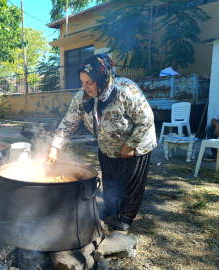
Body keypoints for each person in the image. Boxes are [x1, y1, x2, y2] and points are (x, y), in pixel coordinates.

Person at [47, 54, 157, 233]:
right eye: (82, 82)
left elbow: (146, 120)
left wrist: (130, 145)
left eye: (89, 82)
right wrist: (54, 147)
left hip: (137, 142)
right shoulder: (83, 98)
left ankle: (126, 218)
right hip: (107, 145)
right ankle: (112, 210)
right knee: (110, 178)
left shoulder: (126, 90)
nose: (85, 87)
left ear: (101, 76)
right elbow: (68, 123)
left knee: (130, 180)